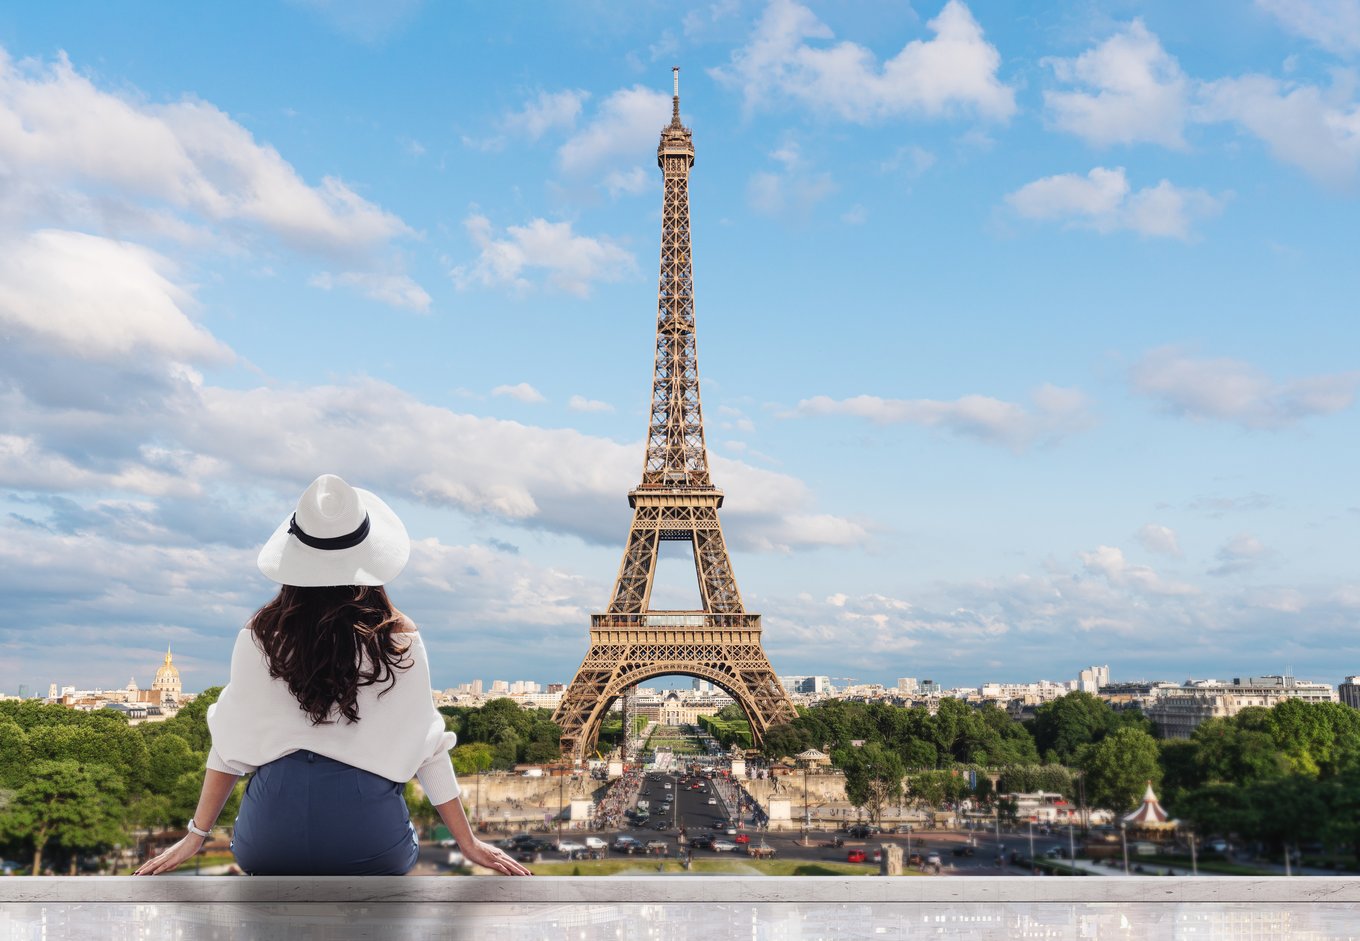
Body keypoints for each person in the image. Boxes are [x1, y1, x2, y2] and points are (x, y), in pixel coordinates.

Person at [135, 474, 531, 877]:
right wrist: (467, 842)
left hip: (269, 839)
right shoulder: (398, 638)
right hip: (367, 839)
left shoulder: (258, 635)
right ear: (370, 556)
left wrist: (196, 833)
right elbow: (428, 746)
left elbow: (229, 745)